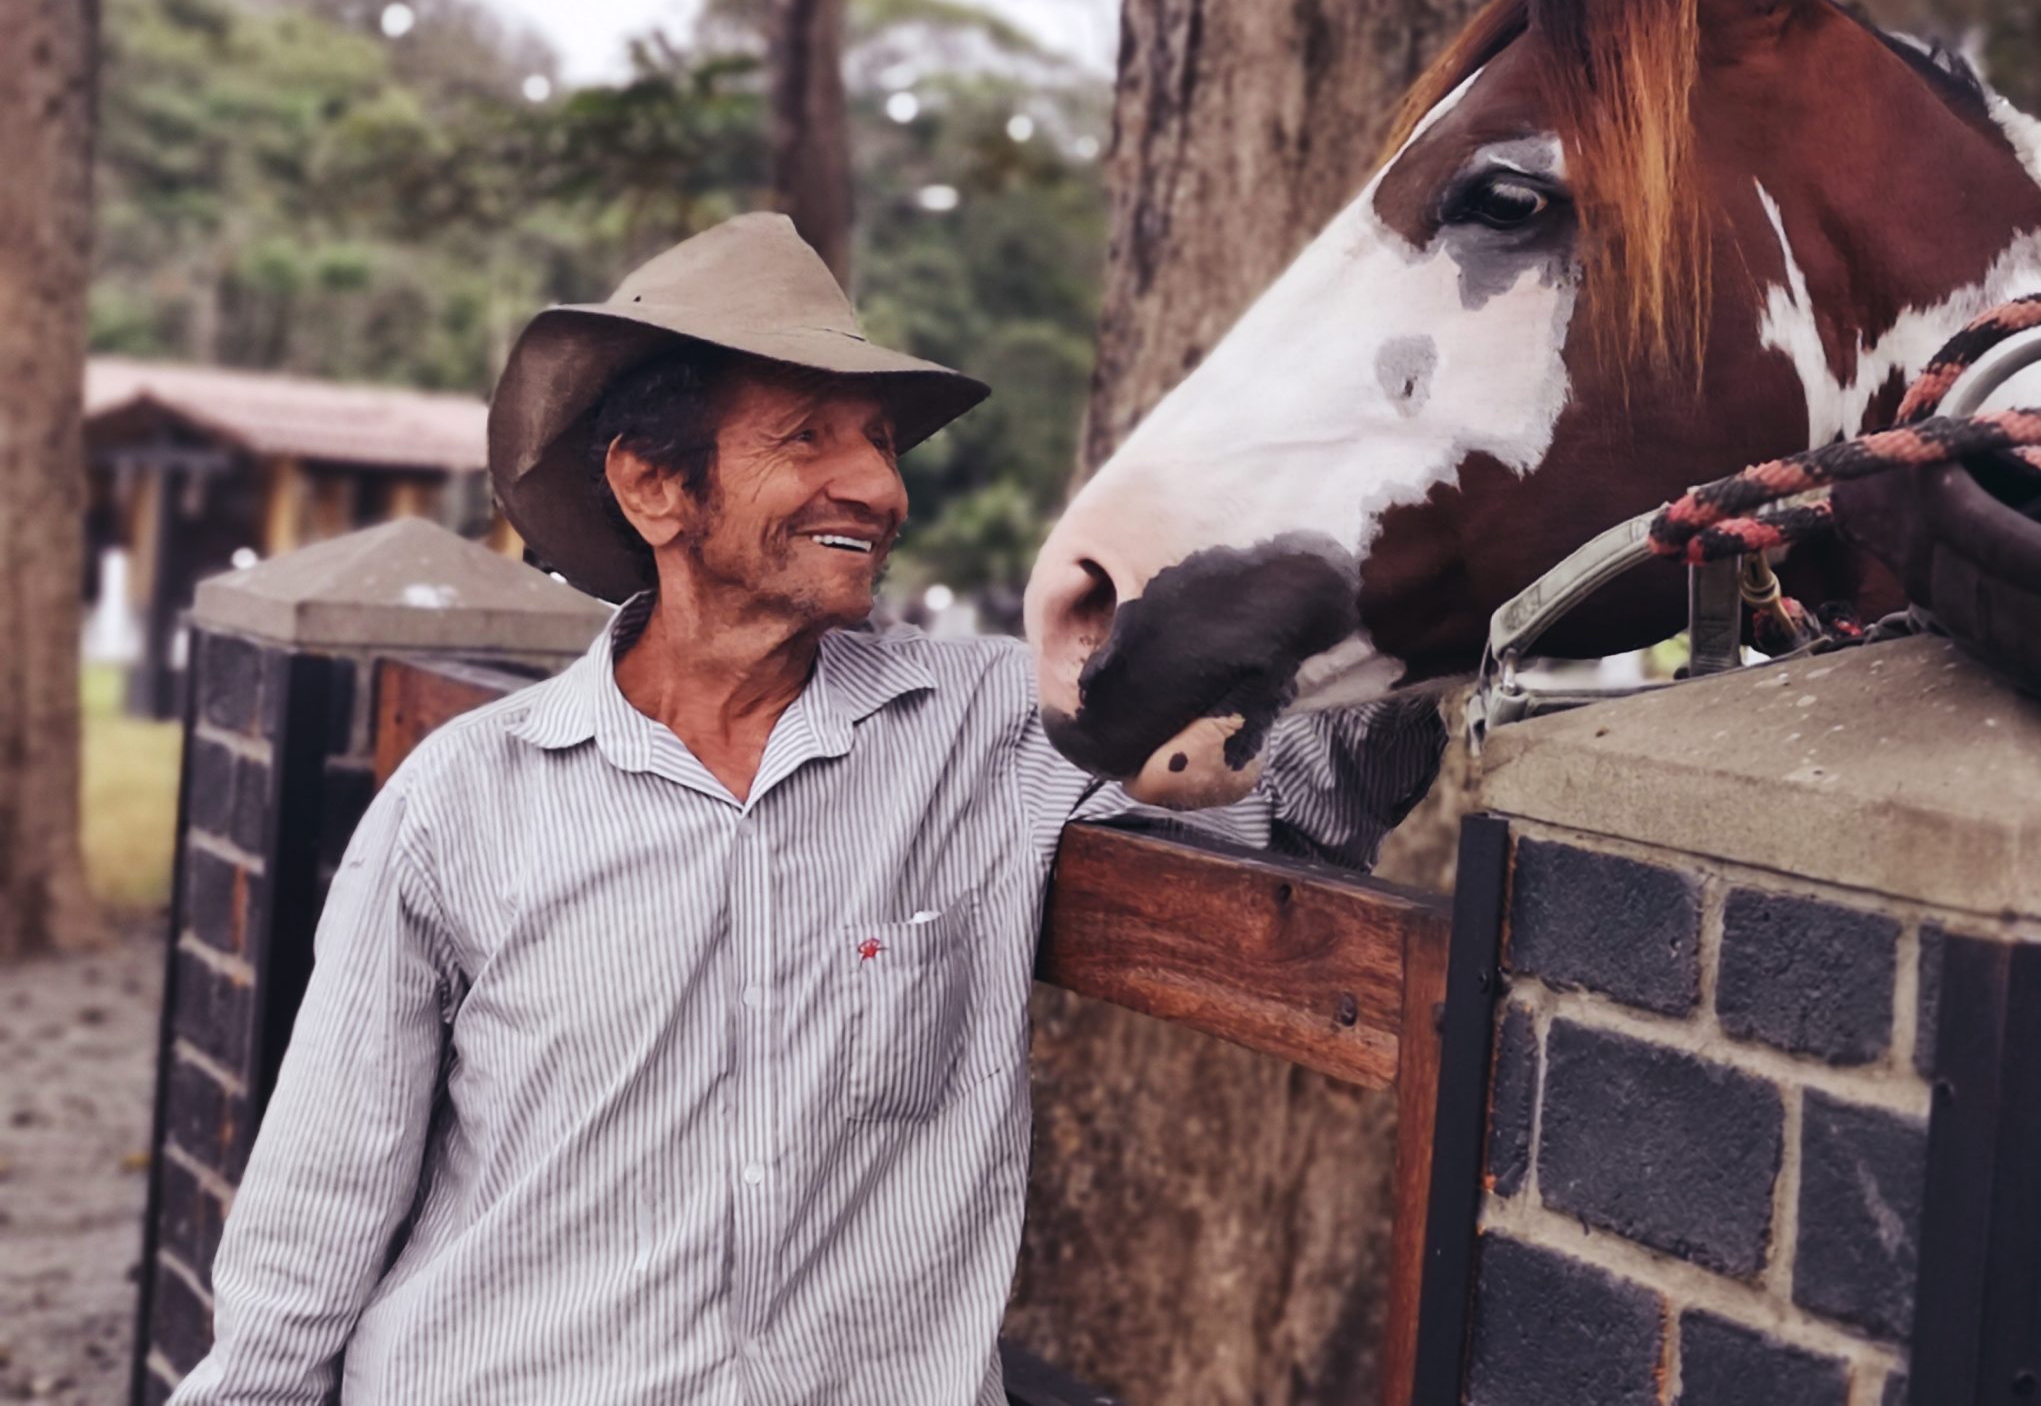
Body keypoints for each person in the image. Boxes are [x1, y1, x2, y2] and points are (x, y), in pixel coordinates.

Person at [173, 214, 1446, 1406]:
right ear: (654, 487)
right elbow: (318, 1204)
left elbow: (1307, 784)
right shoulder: (466, 797)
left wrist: (1437, 582)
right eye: (807, 438)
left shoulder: (994, 727)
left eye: (881, 443)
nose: (878, 489)